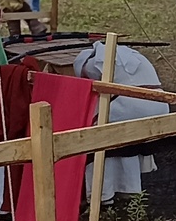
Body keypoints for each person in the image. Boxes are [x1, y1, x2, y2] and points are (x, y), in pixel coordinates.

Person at [72, 43, 169, 205]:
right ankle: (128, 188)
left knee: (92, 134)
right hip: (160, 105)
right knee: (112, 125)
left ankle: (102, 193)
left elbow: (86, 81)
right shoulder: (136, 56)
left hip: (131, 107)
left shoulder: (93, 63)